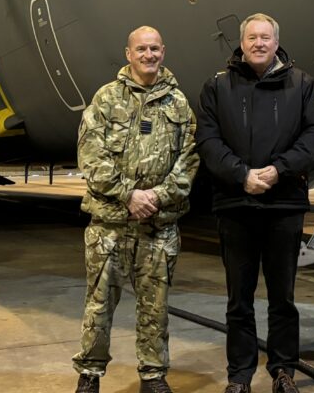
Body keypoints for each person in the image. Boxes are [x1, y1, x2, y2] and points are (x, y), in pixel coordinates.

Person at [195, 13, 314, 393]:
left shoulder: (301, 83)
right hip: (236, 206)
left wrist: (277, 170)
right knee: (239, 299)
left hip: (283, 205)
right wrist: (242, 175)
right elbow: (208, 140)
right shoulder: (217, 87)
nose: (258, 43)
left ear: (276, 43)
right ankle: (239, 376)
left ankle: (283, 371)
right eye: (252, 37)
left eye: (265, 38)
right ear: (241, 43)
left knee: (282, 298)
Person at [73, 26, 199, 393]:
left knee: (155, 308)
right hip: (110, 225)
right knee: (98, 305)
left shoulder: (178, 104)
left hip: (158, 225)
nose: (148, 55)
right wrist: (128, 195)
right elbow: (90, 156)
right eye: (141, 49)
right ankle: (90, 375)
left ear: (163, 52)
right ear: (128, 54)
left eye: (155, 48)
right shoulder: (107, 98)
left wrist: (158, 196)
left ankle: (153, 375)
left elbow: (189, 160)